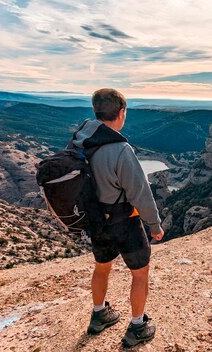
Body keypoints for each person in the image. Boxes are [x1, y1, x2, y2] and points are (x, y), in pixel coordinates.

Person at [67, 88, 164, 347]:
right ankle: (137, 327)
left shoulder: (80, 140)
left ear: (96, 111)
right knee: (140, 274)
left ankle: (99, 314)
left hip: (96, 220)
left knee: (102, 267)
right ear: (121, 113)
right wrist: (154, 225)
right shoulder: (121, 149)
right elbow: (139, 192)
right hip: (124, 221)